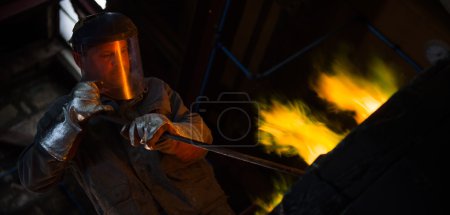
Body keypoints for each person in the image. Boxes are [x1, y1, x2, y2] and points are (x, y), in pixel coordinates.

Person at [17, 12, 235, 215]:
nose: (121, 62)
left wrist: (169, 131)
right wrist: (71, 121)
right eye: (107, 55)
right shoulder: (61, 112)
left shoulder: (156, 89)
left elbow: (203, 140)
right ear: (79, 59)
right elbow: (33, 179)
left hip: (206, 209)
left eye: (124, 51)